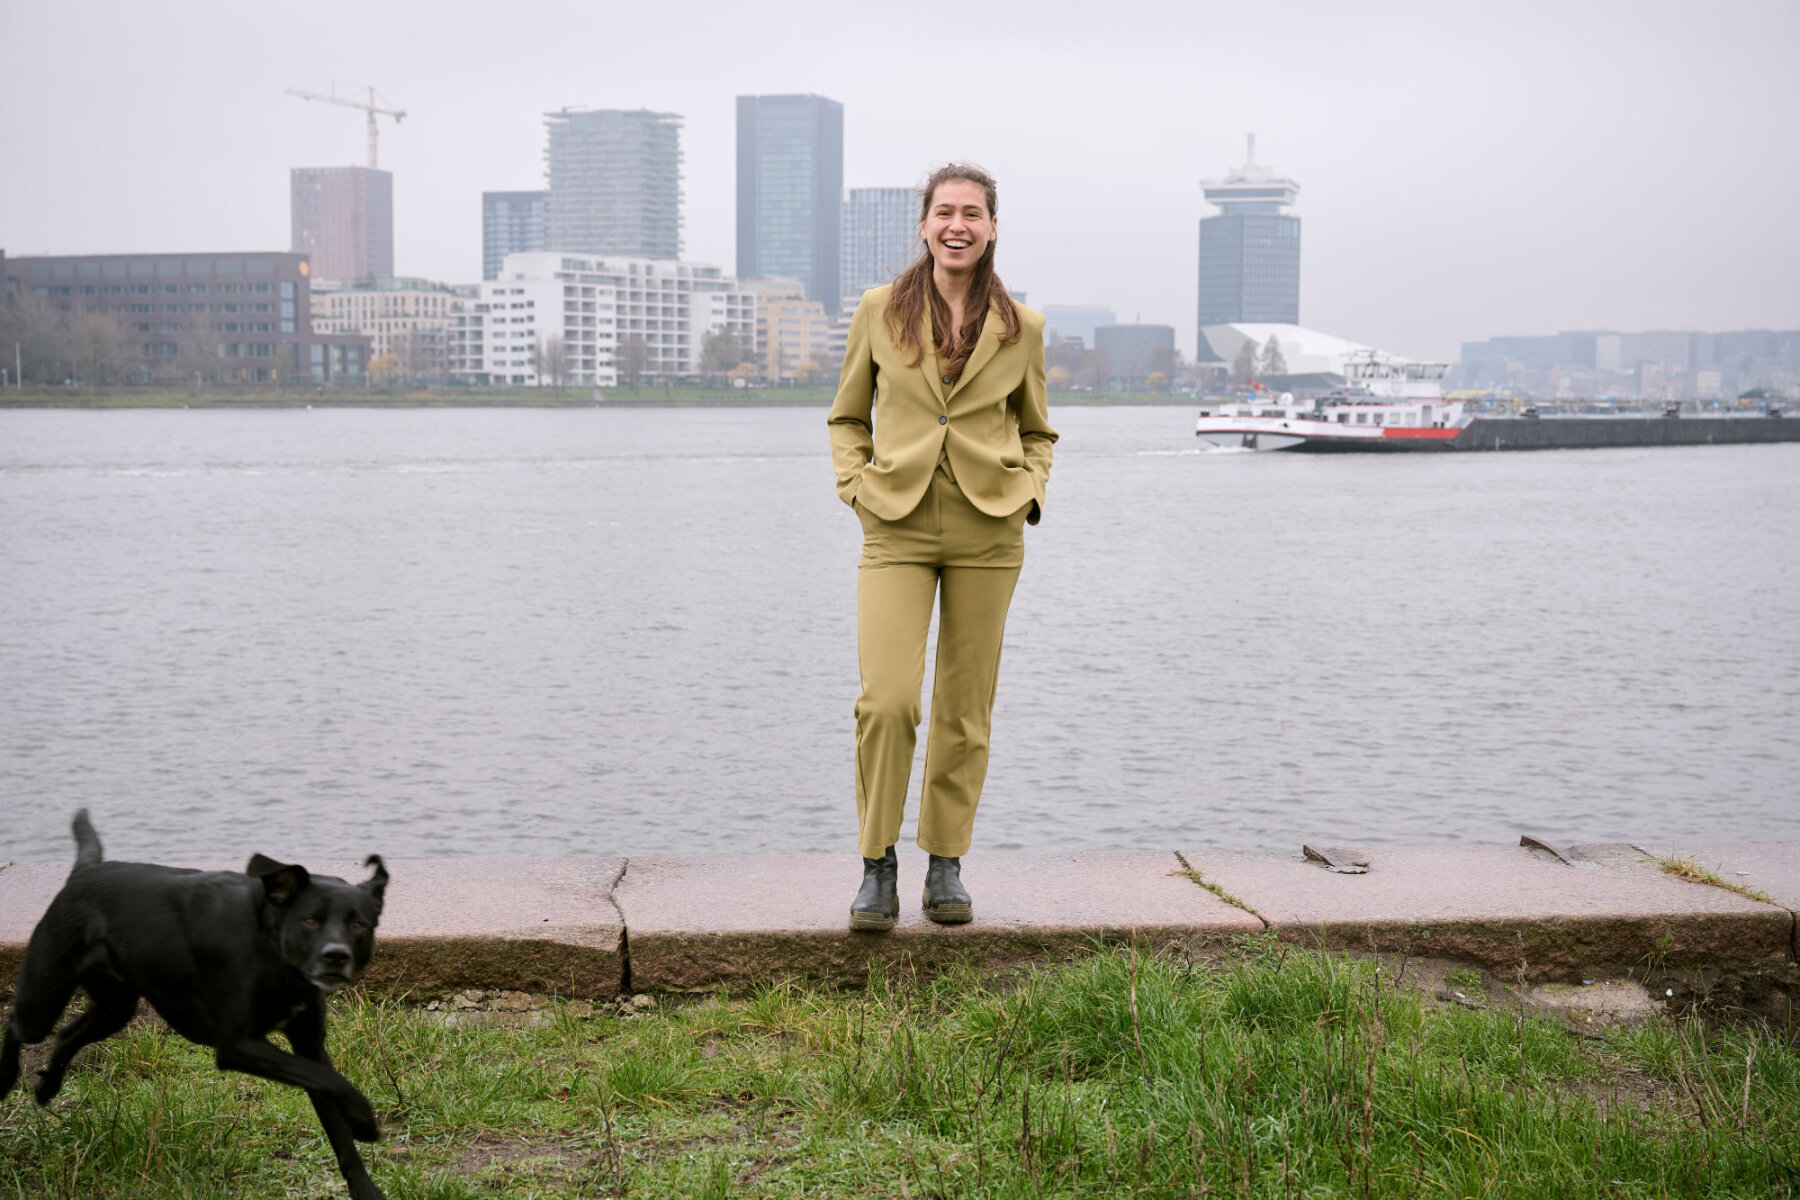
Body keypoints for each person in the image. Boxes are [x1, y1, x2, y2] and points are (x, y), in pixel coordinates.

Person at [827, 163, 1057, 932]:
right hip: (894, 524)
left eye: (973, 213)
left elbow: (1038, 431)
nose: (958, 225)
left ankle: (946, 863)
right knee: (887, 701)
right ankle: (877, 865)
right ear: (924, 225)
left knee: (965, 708)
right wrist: (856, 487)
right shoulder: (877, 311)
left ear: (992, 228)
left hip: (989, 531)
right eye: (945, 212)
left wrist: (1030, 491)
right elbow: (847, 416)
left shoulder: (1024, 327)